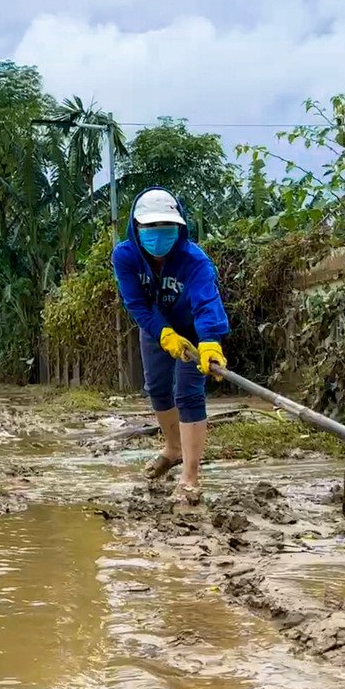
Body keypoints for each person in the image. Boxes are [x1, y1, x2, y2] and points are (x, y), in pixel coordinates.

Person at [111, 187, 230, 501]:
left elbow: (206, 302)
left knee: (188, 394)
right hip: (154, 325)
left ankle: (190, 476)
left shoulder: (194, 260)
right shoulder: (124, 256)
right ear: (136, 229)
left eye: (165, 229)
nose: (157, 236)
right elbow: (136, 303)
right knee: (158, 389)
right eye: (149, 229)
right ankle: (173, 448)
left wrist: (209, 343)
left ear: (179, 227)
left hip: (192, 327)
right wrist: (163, 333)